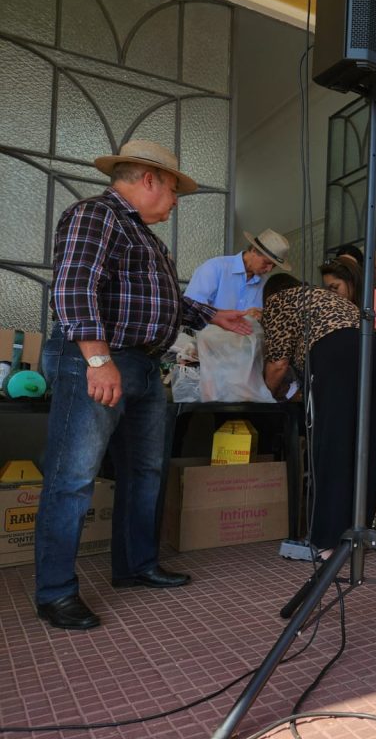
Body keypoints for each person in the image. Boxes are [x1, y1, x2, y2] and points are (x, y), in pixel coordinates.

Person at [35, 140, 253, 630]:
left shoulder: (145, 236)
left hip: (144, 364)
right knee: (72, 479)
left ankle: (135, 566)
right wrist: (97, 359)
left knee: (145, 472)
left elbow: (160, 303)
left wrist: (213, 314)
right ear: (150, 179)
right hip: (99, 358)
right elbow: (75, 287)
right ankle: (54, 592)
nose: (176, 202)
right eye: (174, 189)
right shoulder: (96, 215)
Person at [261, 272, 376, 554]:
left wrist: (271, 391)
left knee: (332, 441)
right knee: (364, 441)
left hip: (336, 352)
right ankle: (358, 533)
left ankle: (327, 540)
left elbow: (278, 365)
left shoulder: (279, 301)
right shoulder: (324, 298)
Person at [184, 229, 291, 311]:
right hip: (205, 338)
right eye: (267, 263)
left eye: (273, 266)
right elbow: (191, 307)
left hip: (248, 340)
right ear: (254, 251)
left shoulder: (265, 284)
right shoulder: (215, 268)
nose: (269, 269)